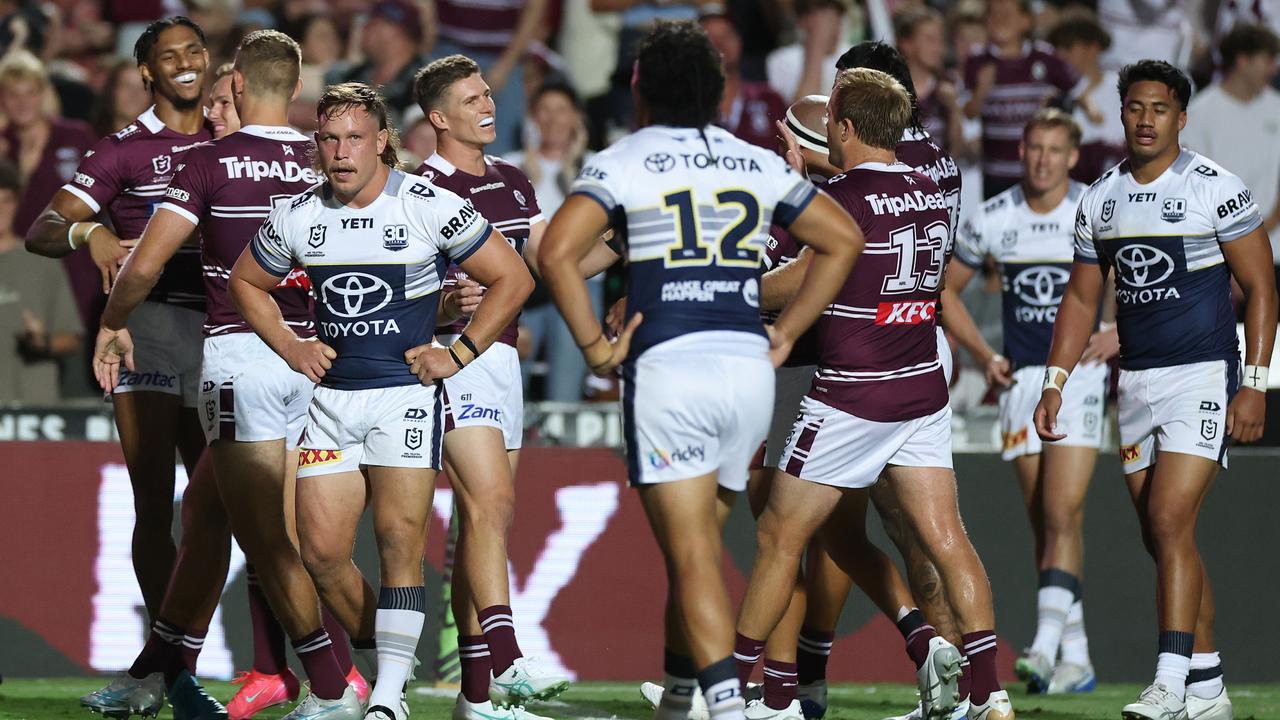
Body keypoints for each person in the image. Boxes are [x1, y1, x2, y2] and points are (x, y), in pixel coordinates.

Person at [541, 20, 861, 720]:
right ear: (718, 92)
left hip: (670, 370)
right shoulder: (755, 161)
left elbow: (558, 253)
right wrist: (789, 335)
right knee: (701, 551)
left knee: (689, 558)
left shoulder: (623, 158)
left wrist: (597, 348)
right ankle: (683, 694)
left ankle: (725, 703)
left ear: (637, 88)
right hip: (746, 369)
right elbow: (843, 240)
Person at [231, 81, 533, 720]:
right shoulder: (299, 214)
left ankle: (389, 697)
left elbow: (513, 276)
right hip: (332, 405)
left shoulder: (428, 205)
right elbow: (246, 283)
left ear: (383, 142)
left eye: (355, 138)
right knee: (321, 554)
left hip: (405, 401)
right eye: (330, 139)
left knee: (400, 542)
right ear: (317, 145)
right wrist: (290, 346)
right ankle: (391, 655)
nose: (341, 152)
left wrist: (458, 353)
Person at [93, 29, 369, 720]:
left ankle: (338, 684)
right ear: (299, 87)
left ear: (241, 85)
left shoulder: (212, 162)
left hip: (241, 359)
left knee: (270, 541)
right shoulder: (327, 164)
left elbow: (147, 265)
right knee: (208, 510)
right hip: (315, 361)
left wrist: (112, 316)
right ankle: (158, 671)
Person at [737, 66, 1015, 720]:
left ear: (847, 127)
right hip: (920, 387)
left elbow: (800, 281)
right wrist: (804, 166)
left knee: (779, 535)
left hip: (850, 394)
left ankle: (727, 691)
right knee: (948, 539)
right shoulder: (929, 190)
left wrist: (731, 295)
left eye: (832, 116)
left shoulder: (839, 201)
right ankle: (988, 693)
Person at [1035, 59, 1277, 720]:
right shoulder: (1101, 198)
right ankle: (1208, 688)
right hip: (1134, 384)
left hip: (1200, 374)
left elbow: (1262, 287)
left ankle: (1168, 682)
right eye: (1135, 107)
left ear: (1181, 117)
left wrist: (1253, 383)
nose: (1146, 119)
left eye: (1160, 109)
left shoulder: (1213, 188)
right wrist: (1055, 380)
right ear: (1121, 114)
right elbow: (1081, 302)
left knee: (1170, 520)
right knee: (1165, 537)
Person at [25, 15, 213, 627]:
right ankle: (170, 667)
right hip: (151, 333)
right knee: (155, 503)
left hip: (225, 333)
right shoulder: (123, 149)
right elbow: (43, 230)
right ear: (145, 71)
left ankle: (258, 665)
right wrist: (92, 230)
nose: (185, 63)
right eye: (169, 55)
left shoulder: (235, 140)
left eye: (194, 51)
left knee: (224, 506)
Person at [412, 54, 579, 718]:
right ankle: (508, 657)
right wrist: (445, 308)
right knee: (489, 504)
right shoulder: (418, 189)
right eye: (474, 98)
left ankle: (474, 698)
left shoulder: (512, 180)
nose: (489, 106)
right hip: (453, 360)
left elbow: (546, 264)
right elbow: (398, 289)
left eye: (489, 95)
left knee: (489, 523)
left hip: (503, 364)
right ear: (438, 117)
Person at [951, 108, 1107, 696]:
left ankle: (1041, 649)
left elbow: (1131, 281)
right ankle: (1078, 654)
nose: (1043, 159)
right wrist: (980, 353)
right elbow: (944, 291)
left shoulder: (1096, 208)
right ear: (1021, 151)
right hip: (1020, 382)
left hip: (1079, 376)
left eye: (1055, 149)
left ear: (1072, 156)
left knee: (1064, 511)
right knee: (1044, 520)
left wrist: (1118, 332)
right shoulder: (992, 218)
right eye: (1034, 147)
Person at [504, 80, 598, 402]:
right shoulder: (510, 165)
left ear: (576, 118)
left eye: (562, 110)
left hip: (582, 279)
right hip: (524, 281)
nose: (553, 119)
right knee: (512, 383)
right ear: (532, 118)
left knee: (566, 388)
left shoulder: (597, 166)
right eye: (544, 110)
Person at [1182, 23, 1280, 286]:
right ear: (1242, 61)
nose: (1274, 69)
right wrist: (1233, 253)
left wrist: (1268, 223)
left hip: (1276, 252)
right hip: (1222, 258)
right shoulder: (1200, 113)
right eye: (1268, 60)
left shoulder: (1277, 108)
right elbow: (1194, 189)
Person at [962, 0, 1078, 199]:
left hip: (1040, 171)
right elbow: (968, 113)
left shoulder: (1044, 56)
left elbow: (1080, 91)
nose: (1000, 20)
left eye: (1007, 15)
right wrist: (981, 90)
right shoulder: (977, 60)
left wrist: (1057, 109)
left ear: (1026, 21)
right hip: (996, 174)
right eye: (994, 15)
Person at [0, 162, 80, 403]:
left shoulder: (42, 261)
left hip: (34, 410)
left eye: (7, 200)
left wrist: (41, 342)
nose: (1, 209)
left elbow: (72, 339)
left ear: (17, 204)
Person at [428, 0, 549, 155]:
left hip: (502, 56)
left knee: (502, 145)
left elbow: (535, 6)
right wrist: (427, 35)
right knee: (436, 136)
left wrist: (506, 65)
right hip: (445, 48)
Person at [1046, 16, 1126, 185]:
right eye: (1056, 49)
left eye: (1068, 47)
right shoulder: (1051, 97)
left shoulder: (1122, 89)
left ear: (1093, 48)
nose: (1060, 55)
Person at [326, 1, 426, 123]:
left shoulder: (425, 84)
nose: (363, 29)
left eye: (371, 23)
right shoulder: (353, 74)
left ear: (394, 31)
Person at [701, 11, 787, 151]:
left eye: (726, 36)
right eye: (709, 38)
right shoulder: (683, 105)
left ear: (740, 42)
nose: (719, 44)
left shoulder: (770, 99)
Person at [766, 0, 846, 103]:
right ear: (801, 21)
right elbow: (800, 115)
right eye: (822, 18)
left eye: (836, 15)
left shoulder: (857, 55)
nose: (832, 26)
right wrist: (817, 47)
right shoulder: (780, 60)